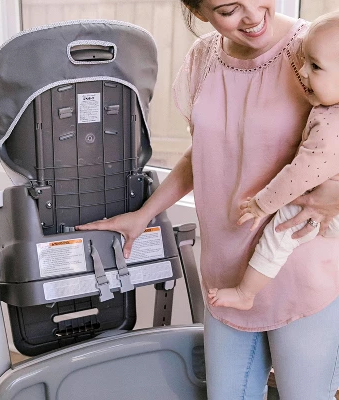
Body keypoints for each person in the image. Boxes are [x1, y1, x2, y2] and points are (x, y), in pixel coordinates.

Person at [76, 1, 339, 398]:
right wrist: (145, 213)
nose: (252, 16)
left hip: (300, 273)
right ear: (200, 13)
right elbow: (203, 152)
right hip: (226, 274)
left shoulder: (316, 51)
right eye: (229, 9)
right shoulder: (203, 59)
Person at [208, 10, 339, 312]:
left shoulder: (332, 127)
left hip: (323, 206)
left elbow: (300, 174)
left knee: (280, 233)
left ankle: (246, 292)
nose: (302, 71)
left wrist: (262, 204)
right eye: (305, 60)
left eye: (315, 66)